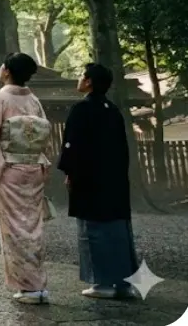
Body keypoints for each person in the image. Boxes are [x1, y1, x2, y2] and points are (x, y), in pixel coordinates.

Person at [58, 63, 140, 300]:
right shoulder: (112, 110)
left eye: (81, 75)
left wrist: (69, 171)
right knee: (118, 229)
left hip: (89, 180)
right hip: (114, 180)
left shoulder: (82, 109)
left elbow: (72, 145)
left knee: (93, 229)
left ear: (89, 81)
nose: (79, 79)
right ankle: (124, 284)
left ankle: (102, 282)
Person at [0, 52, 53, 305]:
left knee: (14, 226)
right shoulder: (33, 101)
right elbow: (43, 134)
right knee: (33, 225)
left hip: (10, 168)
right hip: (34, 167)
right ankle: (39, 285)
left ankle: (28, 286)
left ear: (7, 70)